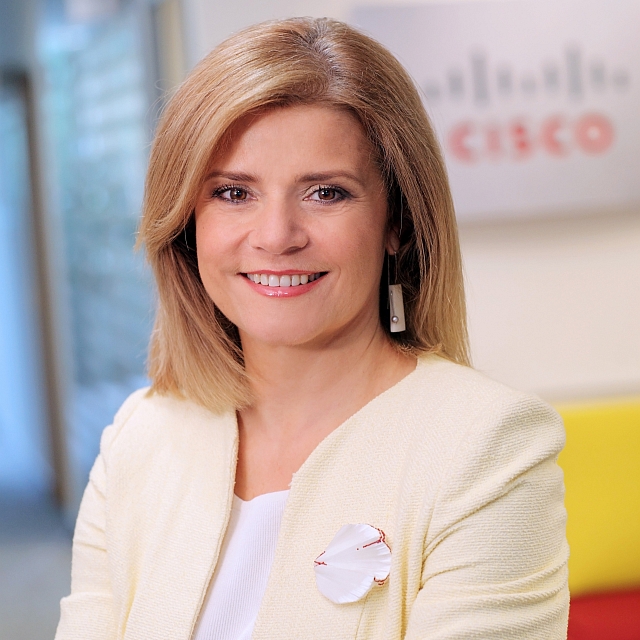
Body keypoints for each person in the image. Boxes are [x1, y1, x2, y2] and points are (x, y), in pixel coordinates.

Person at [55, 17, 569, 640]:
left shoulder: (488, 450)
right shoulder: (140, 438)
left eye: (326, 192)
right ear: (187, 223)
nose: (276, 236)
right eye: (233, 193)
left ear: (397, 222)